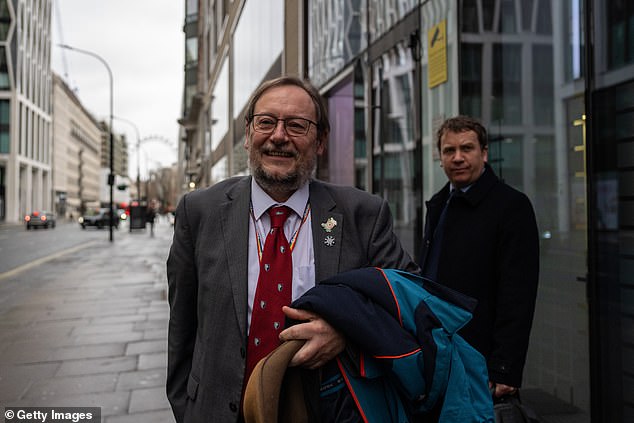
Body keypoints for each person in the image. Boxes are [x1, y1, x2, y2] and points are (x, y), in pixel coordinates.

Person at [166, 75, 419, 423]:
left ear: (320, 141)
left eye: (296, 125)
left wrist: (346, 332)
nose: (279, 136)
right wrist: (187, 409)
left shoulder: (363, 214)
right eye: (266, 122)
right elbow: (182, 328)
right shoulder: (198, 212)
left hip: (330, 412)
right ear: (247, 134)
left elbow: (409, 303)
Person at [419, 115, 539, 400]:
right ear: (440, 158)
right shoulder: (438, 204)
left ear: (484, 153)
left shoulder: (511, 206)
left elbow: (518, 295)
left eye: (467, 148)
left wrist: (504, 367)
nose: (458, 158)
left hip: (481, 360)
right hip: (438, 352)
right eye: (449, 150)